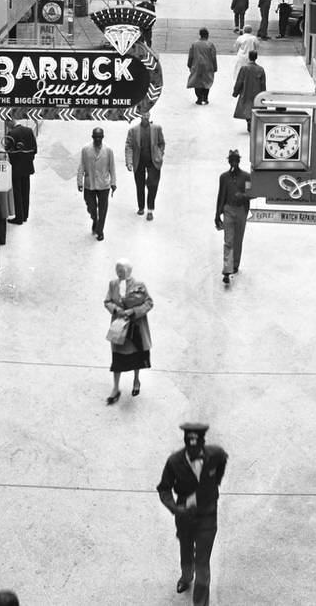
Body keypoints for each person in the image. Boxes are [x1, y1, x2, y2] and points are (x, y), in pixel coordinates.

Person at [157, 421, 229, 605]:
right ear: (185, 443)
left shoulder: (216, 454)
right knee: (186, 550)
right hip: (184, 516)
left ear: (203, 443)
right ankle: (186, 576)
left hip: (208, 515)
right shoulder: (174, 462)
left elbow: (223, 460)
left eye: (197, 447)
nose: (194, 450)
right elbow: (164, 489)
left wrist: (215, 482)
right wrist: (175, 508)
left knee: (202, 563)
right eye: (190, 446)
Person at [103, 258, 153, 404]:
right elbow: (107, 301)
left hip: (135, 327)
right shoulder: (113, 284)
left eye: (121, 270)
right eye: (117, 270)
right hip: (119, 328)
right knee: (117, 358)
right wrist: (116, 309)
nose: (118, 273)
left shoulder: (139, 286)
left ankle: (136, 380)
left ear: (129, 271)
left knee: (136, 357)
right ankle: (115, 388)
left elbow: (149, 303)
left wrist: (133, 311)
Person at [214, 150, 252, 284]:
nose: (233, 162)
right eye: (231, 160)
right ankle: (227, 269)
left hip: (241, 210)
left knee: (238, 240)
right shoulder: (224, 177)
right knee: (228, 240)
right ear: (229, 162)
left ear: (239, 161)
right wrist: (217, 214)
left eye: (236, 160)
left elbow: (251, 193)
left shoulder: (246, 176)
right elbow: (221, 195)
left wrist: (242, 196)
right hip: (228, 210)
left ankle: (235, 265)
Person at [76, 127, 116, 241]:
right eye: (95, 137)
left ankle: (100, 230)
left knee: (102, 209)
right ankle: (95, 219)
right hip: (90, 184)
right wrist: (80, 182)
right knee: (91, 206)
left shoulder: (108, 150)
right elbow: (81, 165)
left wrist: (113, 183)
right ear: (92, 137)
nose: (98, 139)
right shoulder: (86, 149)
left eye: (100, 137)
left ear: (103, 137)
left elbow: (112, 167)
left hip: (104, 184)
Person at [125, 111, 165, 220]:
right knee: (140, 185)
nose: (145, 117)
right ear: (140, 116)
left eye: (147, 114)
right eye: (143, 115)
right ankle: (141, 207)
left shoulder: (157, 128)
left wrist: (160, 154)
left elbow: (162, 143)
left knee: (152, 184)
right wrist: (129, 162)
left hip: (153, 161)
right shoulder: (133, 130)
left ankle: (150, 210)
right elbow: (129, 146)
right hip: (139, 161)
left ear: (149, 115)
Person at [4, 118, 38, 224]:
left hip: (16, 167)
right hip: (27, 167)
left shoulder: (11, 134)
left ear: (10, 122)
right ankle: (25, 216)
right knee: (25, 191)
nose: (7, 127)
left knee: (17, 192)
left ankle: (19, 217)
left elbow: (8, 150)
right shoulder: (29, 130)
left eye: (7, 125)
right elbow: (35, 149)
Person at [232, 50, 266, 132]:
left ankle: (249, 121)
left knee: (247, 108)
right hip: (257, 93)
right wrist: (263, 96)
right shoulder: (260, 69)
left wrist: (235, 92)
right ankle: (252, 122)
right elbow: (263, 84)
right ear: (256, 57)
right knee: (255, 108)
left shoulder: (244, 68)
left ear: (249, 57)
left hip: (246, 92)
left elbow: (239, 81)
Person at [186, 28, 218, 106]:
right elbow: (213, 57)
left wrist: (189, 64)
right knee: (207, 82)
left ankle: (199, 98)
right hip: (208, 66)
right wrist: (215, 67)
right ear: (207, 35)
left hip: (196, 65)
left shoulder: (194, 44)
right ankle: (205, 98)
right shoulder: (210, 44)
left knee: (197, 82)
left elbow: (191, 56)